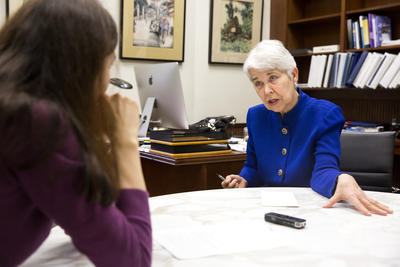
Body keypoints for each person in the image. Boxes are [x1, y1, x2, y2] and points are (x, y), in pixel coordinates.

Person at [0, 0, 151, 266]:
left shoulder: (14, 109)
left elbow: (75, 211)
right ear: (81, 67)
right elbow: (132, 259)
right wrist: (125, 139)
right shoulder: (38, 123)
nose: (106, 81)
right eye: (107, 66)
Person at [221, 40, 393, 217]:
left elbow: (323, 171)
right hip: (267, 211)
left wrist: (340, 179)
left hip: (310, 212)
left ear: (294, 75)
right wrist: (244, 179)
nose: (266, 91)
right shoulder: (255, 115)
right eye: (258, 83)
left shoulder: (325, 113)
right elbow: (253, 167)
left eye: (273, 78)